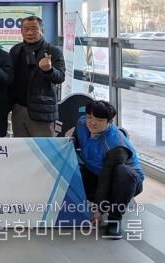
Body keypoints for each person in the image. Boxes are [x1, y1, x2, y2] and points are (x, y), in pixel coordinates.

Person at [67, 101, 144, 239]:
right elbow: (78, 141)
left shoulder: (116, 145)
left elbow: (106, 178)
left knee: (124, 173)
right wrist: (70, 139)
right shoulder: (82, 123)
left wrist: (99, 211)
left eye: (99, 120)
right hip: (95, 173)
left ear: (110, 122)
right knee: (73, 168)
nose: (92, 122)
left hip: (123, 181)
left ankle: (115, 220)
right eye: (90, 117)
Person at [9, 16, 65, 137]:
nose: (30, 33)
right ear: (21, 32)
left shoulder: (53, 51)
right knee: (21, 146)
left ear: (42, 30)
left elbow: (60, 77)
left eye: (34, 29)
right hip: (18, 109)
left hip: (42, 111)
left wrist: (49, 70)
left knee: (43, 147)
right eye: (26, 29)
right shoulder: (15, 50)